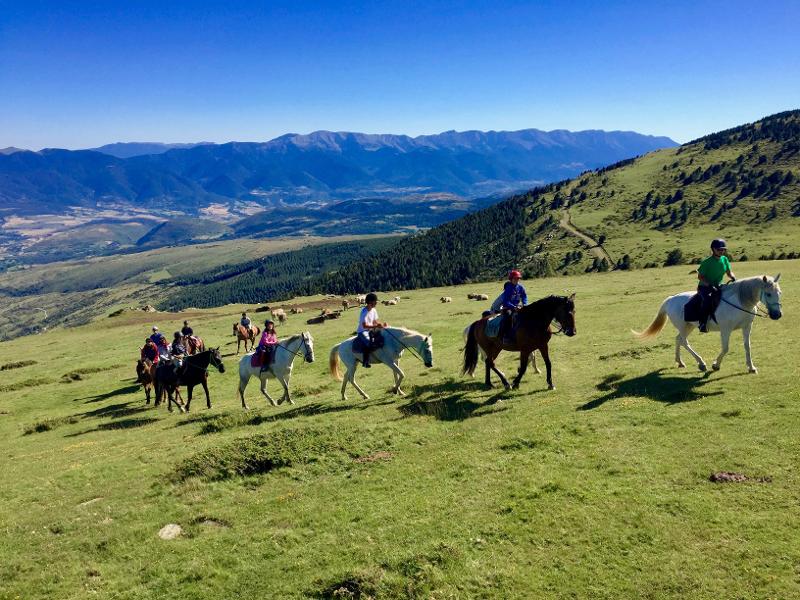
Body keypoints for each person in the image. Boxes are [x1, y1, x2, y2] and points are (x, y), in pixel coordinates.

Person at [696, 238, 736, 333]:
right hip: (704, 287)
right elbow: (700, 277)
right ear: (713, 249)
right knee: (707, 300)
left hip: (718, 285)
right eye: (719, 249)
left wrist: (733, 278)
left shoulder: (725, 259)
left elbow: (729, 272)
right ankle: (702, 323)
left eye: (723, 249)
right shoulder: (707, 262)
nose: (721, 251)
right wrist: (709, 285)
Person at [356, 292, 387, 368]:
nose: (376, 302)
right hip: (363, 331)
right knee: (368, 342)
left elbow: (375, 322)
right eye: (375, 301)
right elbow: (364, 326)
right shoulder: (364, 312)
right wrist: (376, 325)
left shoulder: (374, 310)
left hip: (371, 330)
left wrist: (382, 325)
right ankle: (365, 362)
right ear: (370, 302)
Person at [498, 270, 527, 342]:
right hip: (508, 307)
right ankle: (506, 336)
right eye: (515, 278)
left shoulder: (521, 287)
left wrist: (524, 303)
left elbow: (524, 296)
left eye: (518, 278)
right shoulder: (508, 288)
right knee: (508, 315)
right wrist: (513, 307)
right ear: (511, 279)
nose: (517, 280)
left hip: (518, 306)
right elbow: (506, 301)